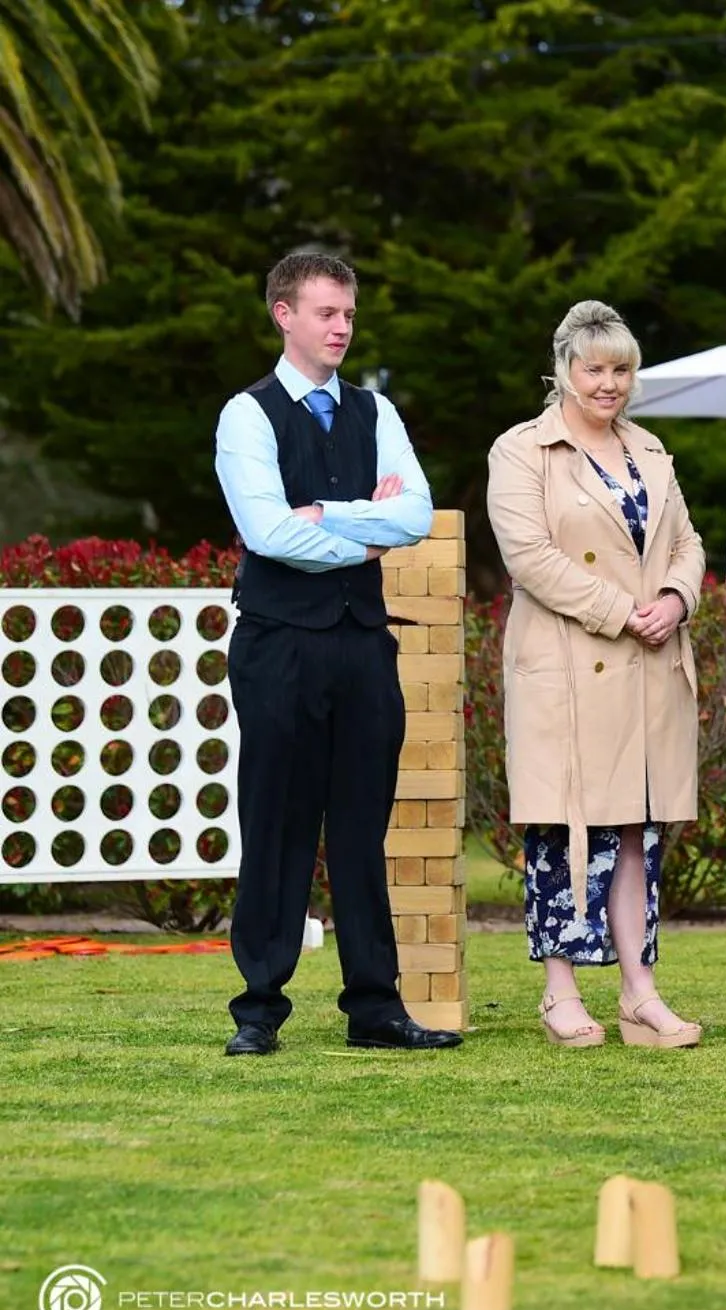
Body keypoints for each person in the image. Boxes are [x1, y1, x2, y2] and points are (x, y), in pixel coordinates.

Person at [216, 251, 458, 1055]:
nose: (342, 327)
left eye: (349, 313)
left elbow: (416, 514)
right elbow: (268, 532)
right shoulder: (246, 416)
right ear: (283, 314)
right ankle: (258, 1009)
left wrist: (328, 513)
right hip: (278, 644)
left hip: (361, 645)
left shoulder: (376, 412)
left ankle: (375, 1008)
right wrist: (361, 532)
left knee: (362, 827)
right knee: (278, 821)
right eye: (326, 312)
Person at [487, 301, 706, 1050]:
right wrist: (623, 609)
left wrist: (676, 599)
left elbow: (687, 541)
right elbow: (531, 557)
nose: (609, 383)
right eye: (595, 369)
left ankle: (640, 992)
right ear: (563, 371)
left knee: (638, 831)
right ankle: (560, 989)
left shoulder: (650, 449)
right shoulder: (521, 451)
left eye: (621, 369)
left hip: (648, 669)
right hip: (570, 670)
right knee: (564, 829)